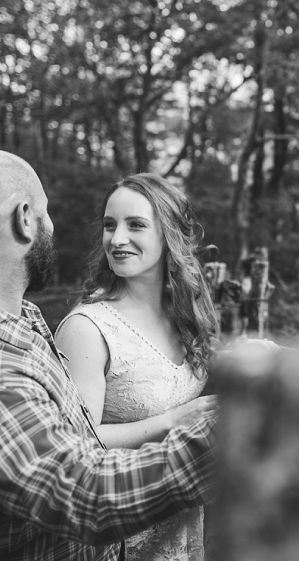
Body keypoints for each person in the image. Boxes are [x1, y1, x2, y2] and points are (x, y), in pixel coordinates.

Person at [0, 148, 217, 561]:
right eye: (45, 212)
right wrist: (236, 421)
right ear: (25, 219)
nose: (53, 225)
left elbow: (71, 433)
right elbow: (88, 496)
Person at [55, 173, 219, 561]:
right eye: (110, 225)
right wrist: (172, 422)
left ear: (170, 236)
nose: (117, 238)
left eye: (136, 225)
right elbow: (75, 446)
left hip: (181, 523)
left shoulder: (183, 314)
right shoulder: (88, 329)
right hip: (120, 533)